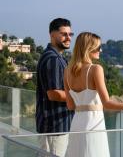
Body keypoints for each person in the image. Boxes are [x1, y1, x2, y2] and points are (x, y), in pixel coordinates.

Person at [64, 32, 123, 157]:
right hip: (93, 124)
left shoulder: (67, 72)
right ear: (88, 48)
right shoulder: (95, 69)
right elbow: (107, 103)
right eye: (98, 47)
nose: (100, 50)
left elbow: (70, 106)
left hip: (76, 124)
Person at [35, 18, 75, 157]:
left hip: (55, 126)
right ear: (52, 35)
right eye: (63, 34)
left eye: (70, 34)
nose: (68, 38)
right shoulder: (53, 59)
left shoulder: (56, 57)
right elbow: (54, 94)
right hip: (54, 126)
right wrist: (81, 98)